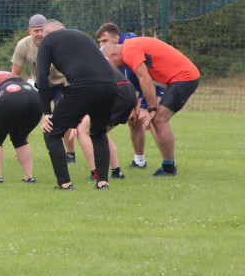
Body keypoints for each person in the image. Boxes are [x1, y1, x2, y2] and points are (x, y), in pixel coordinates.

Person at [101, 36, 200, 177]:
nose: (114, 68)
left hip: (184, 77)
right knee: (158, 120)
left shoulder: (129, 50)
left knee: (159, 119)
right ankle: (168, 167)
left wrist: (152, 109)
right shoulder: (131, 46)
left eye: (111, 64)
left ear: (114, 55)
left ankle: (168, 168)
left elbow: (145, 79)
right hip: (179, 78)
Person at [35, 20, 117, 190]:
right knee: (99, 133)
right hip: (110, 85)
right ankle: (103, 182)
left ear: (47, 31)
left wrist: (46, 112)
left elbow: (42, 77)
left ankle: (65, 184)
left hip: (83, 87)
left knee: (51, 132)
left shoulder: (48, 40)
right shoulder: (82, 35)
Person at [95, 23, 164, 170]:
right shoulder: (111, 54)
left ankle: (168, 164)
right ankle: (139, 162)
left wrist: (145, 106)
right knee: (133, 121)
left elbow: (148, 78)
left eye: (105, 41)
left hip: (155, 83)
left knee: (152, 120)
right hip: (136, 89)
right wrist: (130, 106)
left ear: (117, 38)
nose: (101, 45)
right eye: (100, 42)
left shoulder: (131, 46)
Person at [12, 14, 79, 164]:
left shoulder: (59, 44)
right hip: (39, 86)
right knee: (25, 116)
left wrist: (70, 87)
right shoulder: (23, 45)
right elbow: (15, 74)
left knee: (64, 118)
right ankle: (22, 150)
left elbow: (72, 67)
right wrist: (19, 93)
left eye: (42, 30)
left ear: (47, 30)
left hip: (61, 85)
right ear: (29, 31)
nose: (40, 34)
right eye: (36, 31)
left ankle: (70, 154)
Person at [69, 64, 138, 181]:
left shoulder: (79, 60)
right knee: (100, 132)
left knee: (83, 131)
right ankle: (116, 172)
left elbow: (86, 90)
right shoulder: (97, 55)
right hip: (127, 91)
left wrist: (77, 118)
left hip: (115, 92)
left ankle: (96, 172)